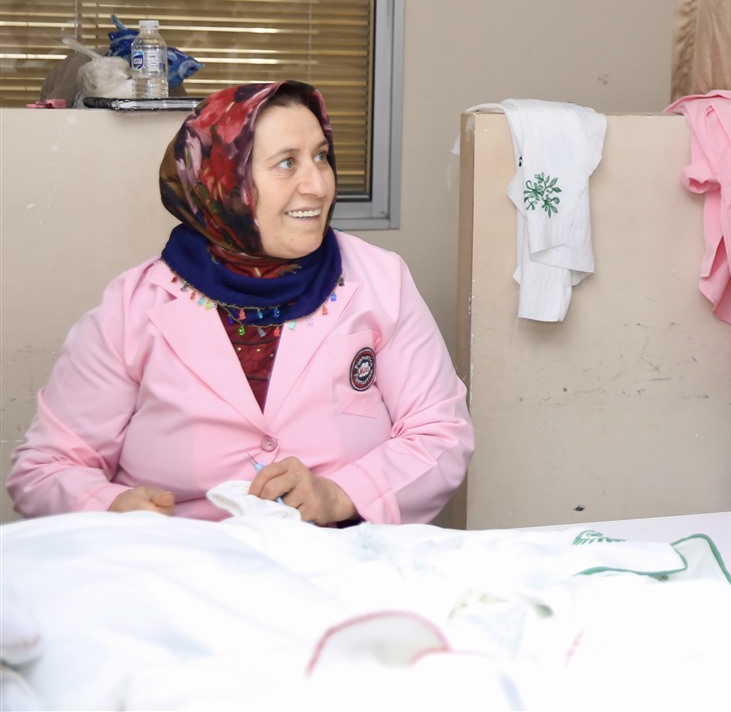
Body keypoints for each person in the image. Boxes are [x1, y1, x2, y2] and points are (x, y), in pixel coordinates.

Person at [8, 82, 474, 524]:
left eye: (321, 157)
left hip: (339, 557)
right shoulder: (133, 306)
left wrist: (341, 494)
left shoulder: (381, 280)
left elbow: (441, 432)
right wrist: (111, 507)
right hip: (180, 562)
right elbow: (46, 468)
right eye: (287, 163)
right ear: (221, 182)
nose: (318, 185)